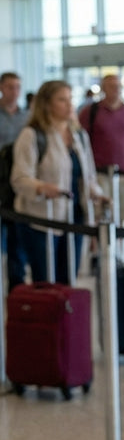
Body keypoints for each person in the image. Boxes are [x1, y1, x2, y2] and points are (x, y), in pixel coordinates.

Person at [10, 80, 107, 284]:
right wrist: (41, 188)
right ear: (46, 104)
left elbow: (87, 175)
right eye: (62, 100)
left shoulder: (79, 135)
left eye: (70, 99)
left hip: (75, 217)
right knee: (45, 280)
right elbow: (19, 178)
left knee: (68, 277)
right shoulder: (32, 135)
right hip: (42, 219)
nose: (69, 105)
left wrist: (96, 192)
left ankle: (66, 316)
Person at [77, 74, 124, 221]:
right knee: (101, 213)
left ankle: (118, 243)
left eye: (118, 86)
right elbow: (81, 140)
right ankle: (100, 243)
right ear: (103, 89)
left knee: (122, 213)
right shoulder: (90, 112)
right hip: (99, 171)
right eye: (111, 86)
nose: (116, 89)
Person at [0, 71, 31, 290]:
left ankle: (16, 285)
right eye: (10, 87)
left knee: (16, 237)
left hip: (16, 183)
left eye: (18, 87)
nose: (14, 91)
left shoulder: (27, 117)